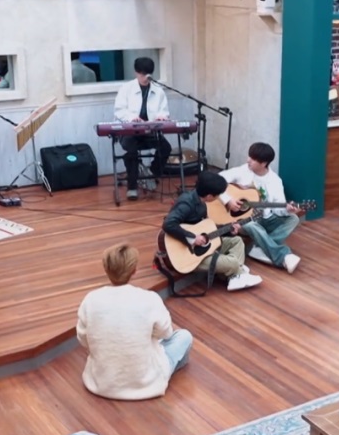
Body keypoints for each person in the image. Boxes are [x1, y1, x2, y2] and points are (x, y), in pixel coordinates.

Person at [76, 243, 192, 400]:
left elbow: (83, 339)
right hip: (147, 384)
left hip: (101, 384)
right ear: (134, 271)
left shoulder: (90, 299)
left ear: (106, 268)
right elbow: (166, 333)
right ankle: (165, 372)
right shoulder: (149, 298)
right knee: (184, 336)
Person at [162, 171, 262, 291]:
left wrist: (229, 229)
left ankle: (234, 275)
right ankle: (236, 272)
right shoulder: (186, 203)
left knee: (237, 241)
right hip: (189, 256)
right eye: (218, 195)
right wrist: (193, 238)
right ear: (209, 196)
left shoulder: (202, 203)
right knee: (234, 263)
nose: (219, 198)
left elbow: (206, 228)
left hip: (202, 249)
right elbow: (168, 224)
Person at [219, 142, 302, 273]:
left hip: (265, 219)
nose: (248, 160)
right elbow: (216, 180)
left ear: (264, 163)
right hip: (244, 221)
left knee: (293, 218)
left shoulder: (275, 181)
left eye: (253, 159)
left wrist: (288, 209)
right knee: (251, 224)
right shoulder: (242, 171)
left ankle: (259, 248)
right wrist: (228, 200)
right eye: (249, 156)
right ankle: (282, 256)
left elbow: (278, 208)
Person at [114, 56, 173, 200]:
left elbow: (164, 111)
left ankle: (150, 174)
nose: (145, 77)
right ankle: (132, 187)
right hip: (129, 132)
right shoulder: (126, 88)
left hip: (149, 132)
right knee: (131, 150)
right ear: (136, 72)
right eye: (142, 74)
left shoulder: (158, 90)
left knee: (166, 148)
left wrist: (161, 117)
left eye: (148, 74)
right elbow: (119, 111)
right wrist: (131, 118)